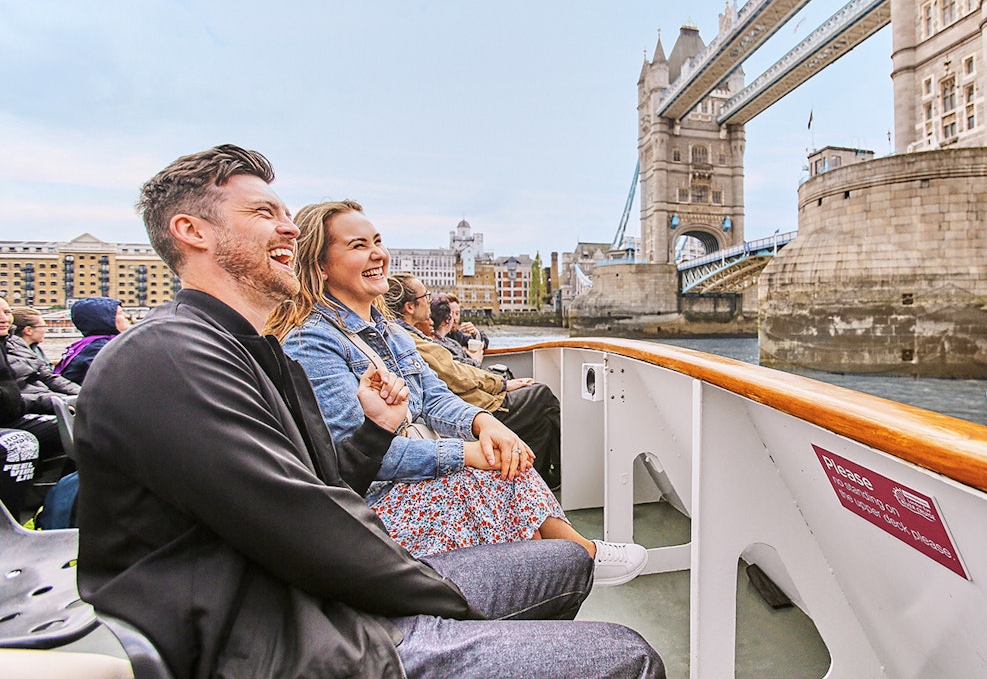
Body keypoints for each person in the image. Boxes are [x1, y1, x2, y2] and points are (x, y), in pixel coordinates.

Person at [76, 144, 664, 679]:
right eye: (263, 213)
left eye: (285, 214)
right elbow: (305, 527)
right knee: (628, 656)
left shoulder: (252, 351)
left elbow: (330, 483)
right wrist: (445, 602)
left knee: (565, 562)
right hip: (280, 638)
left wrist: (373, 433)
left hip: (317, 594)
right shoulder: (168, 359)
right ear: (191, 232)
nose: (287, 226)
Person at [269, 201, 641, 584]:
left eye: (377, 241)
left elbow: (433, 395)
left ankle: (565, 564)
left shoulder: (389, 330)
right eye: (358, 245)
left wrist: (484, 423)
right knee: (487, 474)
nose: (377, 253)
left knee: (503, 460)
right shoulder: (311, 342)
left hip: (407, 474)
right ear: (321, 265)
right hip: (370, 502)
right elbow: (353, 456)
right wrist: (467, 452)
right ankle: (571, 563)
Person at [388, 275, 562, 490]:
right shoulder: (409, 340)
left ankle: (537, 478)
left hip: (468, 404)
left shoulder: (408, 337)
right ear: (409, 307)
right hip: (474, 407)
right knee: (542, 394)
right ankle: (561, 471)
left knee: (542, 420)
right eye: (425, 296)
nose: (428, 300)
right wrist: (503, 385)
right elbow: (454, 374)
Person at [4, 304, 75, 461]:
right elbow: (11, 398)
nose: (4, 318)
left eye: (7, 312)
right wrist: (56, 401)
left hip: (36, 403)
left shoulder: (16, 343)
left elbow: (49, 377)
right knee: (84, 427)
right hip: (17, 414)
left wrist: (82, 395)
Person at [0, 299, 39, 518]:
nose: (3, 318)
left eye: (6, 312)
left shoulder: (6, 344)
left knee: (86, 425)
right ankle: (9, 529)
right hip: (10, 418)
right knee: (19, 444)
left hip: (13, 413)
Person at [55, 297, 130, 384]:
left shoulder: (87, 345)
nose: (126, 316)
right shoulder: (100, 349)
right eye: (120, 313)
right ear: (105, 319)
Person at [429, 293, 483, 366]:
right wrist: (476, 361)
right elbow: (459, 372)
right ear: (447, 319)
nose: (455, 318)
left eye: (457, 313)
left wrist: (475, 333)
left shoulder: (455, 336)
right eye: (452, 314)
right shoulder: (442, 347)